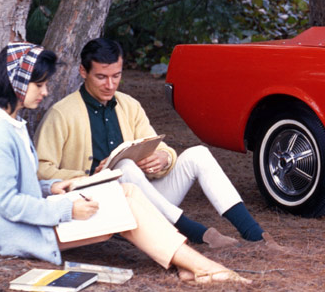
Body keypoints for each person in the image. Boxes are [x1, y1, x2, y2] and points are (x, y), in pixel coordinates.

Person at [0, 43, 247, 284]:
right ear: (18, 84)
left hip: (40, 214)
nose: (46, 92)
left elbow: (23, 186)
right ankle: (201, 267)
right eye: (39, 85)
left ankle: (189, 266)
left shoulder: (10, 122)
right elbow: (7, 204)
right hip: (19, 231)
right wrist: (67, 206)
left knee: (129, 193)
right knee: (125, 203)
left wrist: (54, 186)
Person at [35, 38, 276, 250]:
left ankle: (254, 234)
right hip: (97, 206)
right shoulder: (61, 113)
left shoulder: (129, 105)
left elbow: (159, 147)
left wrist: (164, 159)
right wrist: (88, 175)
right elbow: (41, 170)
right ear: (83, 72)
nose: (110, 85)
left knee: (198, 155)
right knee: (126, 167)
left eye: (116, 76)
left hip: (147, 202)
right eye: (101, 77)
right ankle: (194, 231)